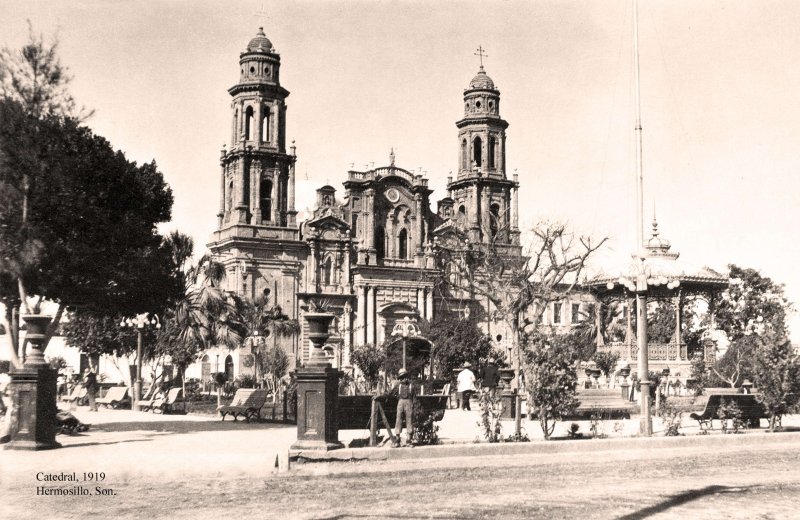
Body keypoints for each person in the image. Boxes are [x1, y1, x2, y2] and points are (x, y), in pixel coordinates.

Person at [377, 368, 416, 447]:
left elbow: (414, 397)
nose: (404, 379)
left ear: (407, 377)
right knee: (398, 420)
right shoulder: (398, 385)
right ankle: (397, 441)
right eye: (402, 377)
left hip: (409, 403)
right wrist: (380, 396)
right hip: (400, 403)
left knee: (409, 420)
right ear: (400, 378)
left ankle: (409, 441)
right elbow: (389, 393)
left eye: (405, 376)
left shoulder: (411, 385)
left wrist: (413, 406)